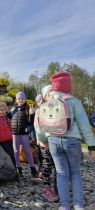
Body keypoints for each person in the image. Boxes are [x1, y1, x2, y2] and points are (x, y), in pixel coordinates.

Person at [39, 72, 95, 210]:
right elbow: (84, 125)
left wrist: (43, 140)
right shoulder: (74, 102)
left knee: (62, 173)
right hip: (72, 141)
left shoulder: (47, 102)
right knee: (75, 172)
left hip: (53, 140)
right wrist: (91, 146)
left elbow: (42, 124)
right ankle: (78, 204)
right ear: (68, 86)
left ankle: (65, 205)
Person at [33, 86, 59, 202]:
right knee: (47, 164)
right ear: (44, 97)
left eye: (54, 93)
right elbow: (38, 126)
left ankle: (57, 186)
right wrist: (43, 140)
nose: (52, 96)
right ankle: (46, 186)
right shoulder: (40, 110)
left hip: (56, 141)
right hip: (45, 142)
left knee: (58, 166)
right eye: (49, 94)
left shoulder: (58, 108)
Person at [9, 92, 38, 178]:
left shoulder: (28, 109)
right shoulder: (13, 109)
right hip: (14, 133)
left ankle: (33, 169)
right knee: (16, 151)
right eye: (19, 99)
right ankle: (18, 168)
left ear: (25, 100)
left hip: (24, 134)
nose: (20, 100)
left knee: (27, 151)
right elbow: (8, 119)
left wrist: (29, 127)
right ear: (16, 100)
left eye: (22, 99)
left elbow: (32, 123)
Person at [0, 102, 16, 167]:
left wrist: (13, 138)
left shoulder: (7, 119)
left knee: (13, 153)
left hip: (9, 139)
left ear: (5, 110)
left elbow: (11, 129)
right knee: (10, 154)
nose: (1, 111)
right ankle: (13, 166)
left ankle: (15, 167)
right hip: (2, 140)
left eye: (2, 110)